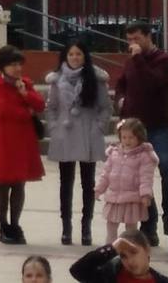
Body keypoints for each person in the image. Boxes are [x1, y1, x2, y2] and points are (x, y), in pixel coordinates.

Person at [114, 21, 168, 245]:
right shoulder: (131, 61)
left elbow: (153, 83)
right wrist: (121, 101)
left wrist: (139, 58)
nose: (133, 43)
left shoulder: (164, 60)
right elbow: (122, 84)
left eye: (137, 38)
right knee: (139, 179)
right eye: (129, 39)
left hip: (158, 127)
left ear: (150, 36)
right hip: (134, 129)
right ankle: (148, 226)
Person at [46, 39, 112, 246]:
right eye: (71, 54)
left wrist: (99, 127)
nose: (75, 58)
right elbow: (51, 107)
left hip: (87, 133)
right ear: (65, 57)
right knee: (65, 183)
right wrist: (54, 127)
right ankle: (66, 227)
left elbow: (105, 107)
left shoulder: (96, 79)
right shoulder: (56, 80)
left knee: (88, 183)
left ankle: (86, 227)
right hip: (64, 134)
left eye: (79, 54)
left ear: (85, 57)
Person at [0, 45, 44, 245]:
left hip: (23, 138)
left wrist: (25, 94)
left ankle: (15, 223)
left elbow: (40, 105)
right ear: (2, 66)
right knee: (2, 182)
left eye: (20, 64)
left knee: (19, 182)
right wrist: (25, 112)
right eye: (13, 64)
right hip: (4, 139)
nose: (18, 68)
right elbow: (3, 110)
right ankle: (3, 225)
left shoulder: (25, 83)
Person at [95, 119, 158, 244]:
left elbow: (146, 177)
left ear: (139, 138)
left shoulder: (144, 156)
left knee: (131, 229)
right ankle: (110, 249)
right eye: (124, 137)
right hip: (114, 197)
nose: (127, 141)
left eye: (131, 137)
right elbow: (106, 174)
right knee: (111, 225)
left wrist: (145, 195)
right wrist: (99, 189)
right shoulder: (114, 153)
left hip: (132, 198)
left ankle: (130, 248)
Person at [69, 230, 168, 283]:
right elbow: (77, 270)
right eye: (123, 256)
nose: (130, 261)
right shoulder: (110, 274)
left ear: (147, 250)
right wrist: (112, 248)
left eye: (134, 252)